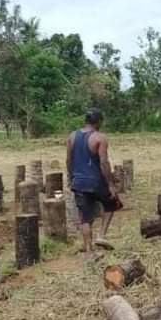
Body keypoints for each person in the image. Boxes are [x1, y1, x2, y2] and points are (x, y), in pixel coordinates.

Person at [66, 108, 118, 258]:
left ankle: (89, 250)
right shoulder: (100, 138)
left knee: (85, 216)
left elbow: (68, 160)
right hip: (96, 182)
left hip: (79, 182)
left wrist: (71, 177)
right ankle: (101, 235)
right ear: (99, 122)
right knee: (111, 203)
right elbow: (104, 163)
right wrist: (110, 184)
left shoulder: (72, 136)